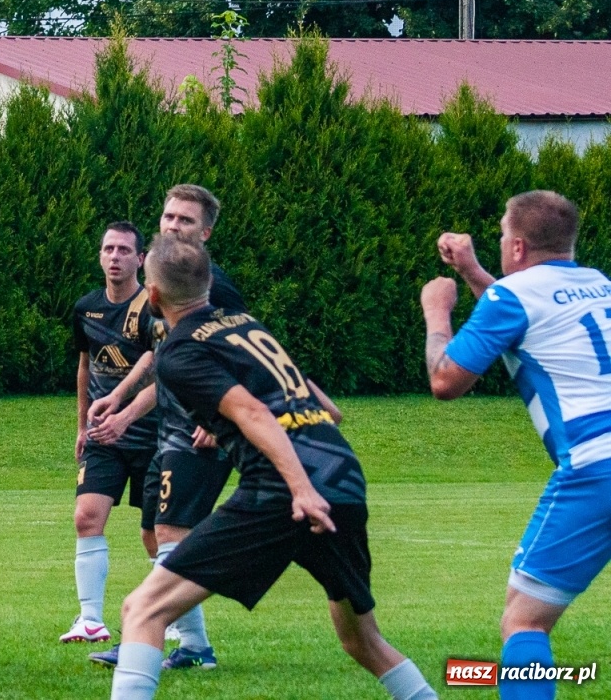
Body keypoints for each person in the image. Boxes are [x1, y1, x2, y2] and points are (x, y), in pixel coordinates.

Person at [105, 233, 438, 700]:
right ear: (208, 283)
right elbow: (324, 407)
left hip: (287, 490)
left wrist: (300, 489)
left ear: (152, 295)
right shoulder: (244, 323)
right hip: (342, 477)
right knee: (362, 639)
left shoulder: (178, 352)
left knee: (142, 609)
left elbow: (254, 413)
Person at [421, 191, 611, 700]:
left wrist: (437, 312)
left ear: (519, 248)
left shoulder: (513, 299)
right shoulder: (598, 283)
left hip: (597, 468)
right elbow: (528, 315)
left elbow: (446, 380)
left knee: (524, 623)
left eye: (504, 236)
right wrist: (472, 270)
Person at [89, 185, 245, 670]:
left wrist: (220, 423)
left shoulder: (214, 287)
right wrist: (120, 399)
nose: (173, 226)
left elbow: (242, 351)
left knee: (172, 531)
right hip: (169, 426)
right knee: (155, 537)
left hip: (200, 429)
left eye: (185, 220)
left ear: (206, 232)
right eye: (168, 216)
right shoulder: (164, 281)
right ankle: (195, 647)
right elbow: (164, 355)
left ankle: (145, 633)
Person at [62, 222, 160, 646]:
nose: (115, 256)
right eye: (108, 249)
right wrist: (83, 425)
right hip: (104, 435)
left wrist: (122, 406)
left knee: (155, 534)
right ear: (100, 256)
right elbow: (86, 366)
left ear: (140, 259)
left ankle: (170, 615)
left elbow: (160, 364)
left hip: (155, 435)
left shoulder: (153, 307)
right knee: (86, 517)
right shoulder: (86, 308)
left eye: (124, 250)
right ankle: (89, 620)